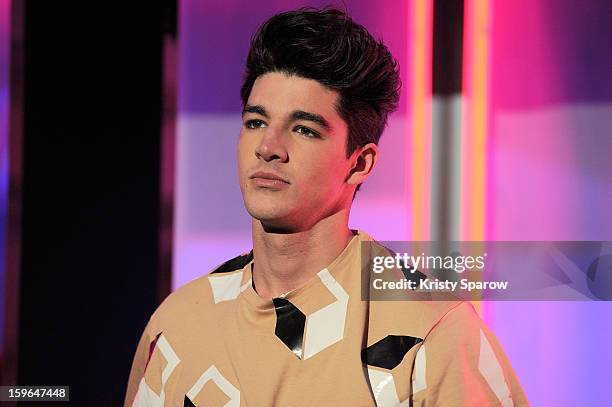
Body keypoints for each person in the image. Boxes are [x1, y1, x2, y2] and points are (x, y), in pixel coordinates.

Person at [124, 7, 529, 406]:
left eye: (303, 129)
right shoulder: (178, 327)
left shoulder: (432, 333)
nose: (268, 148)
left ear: (359, 163)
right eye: (256, 122)